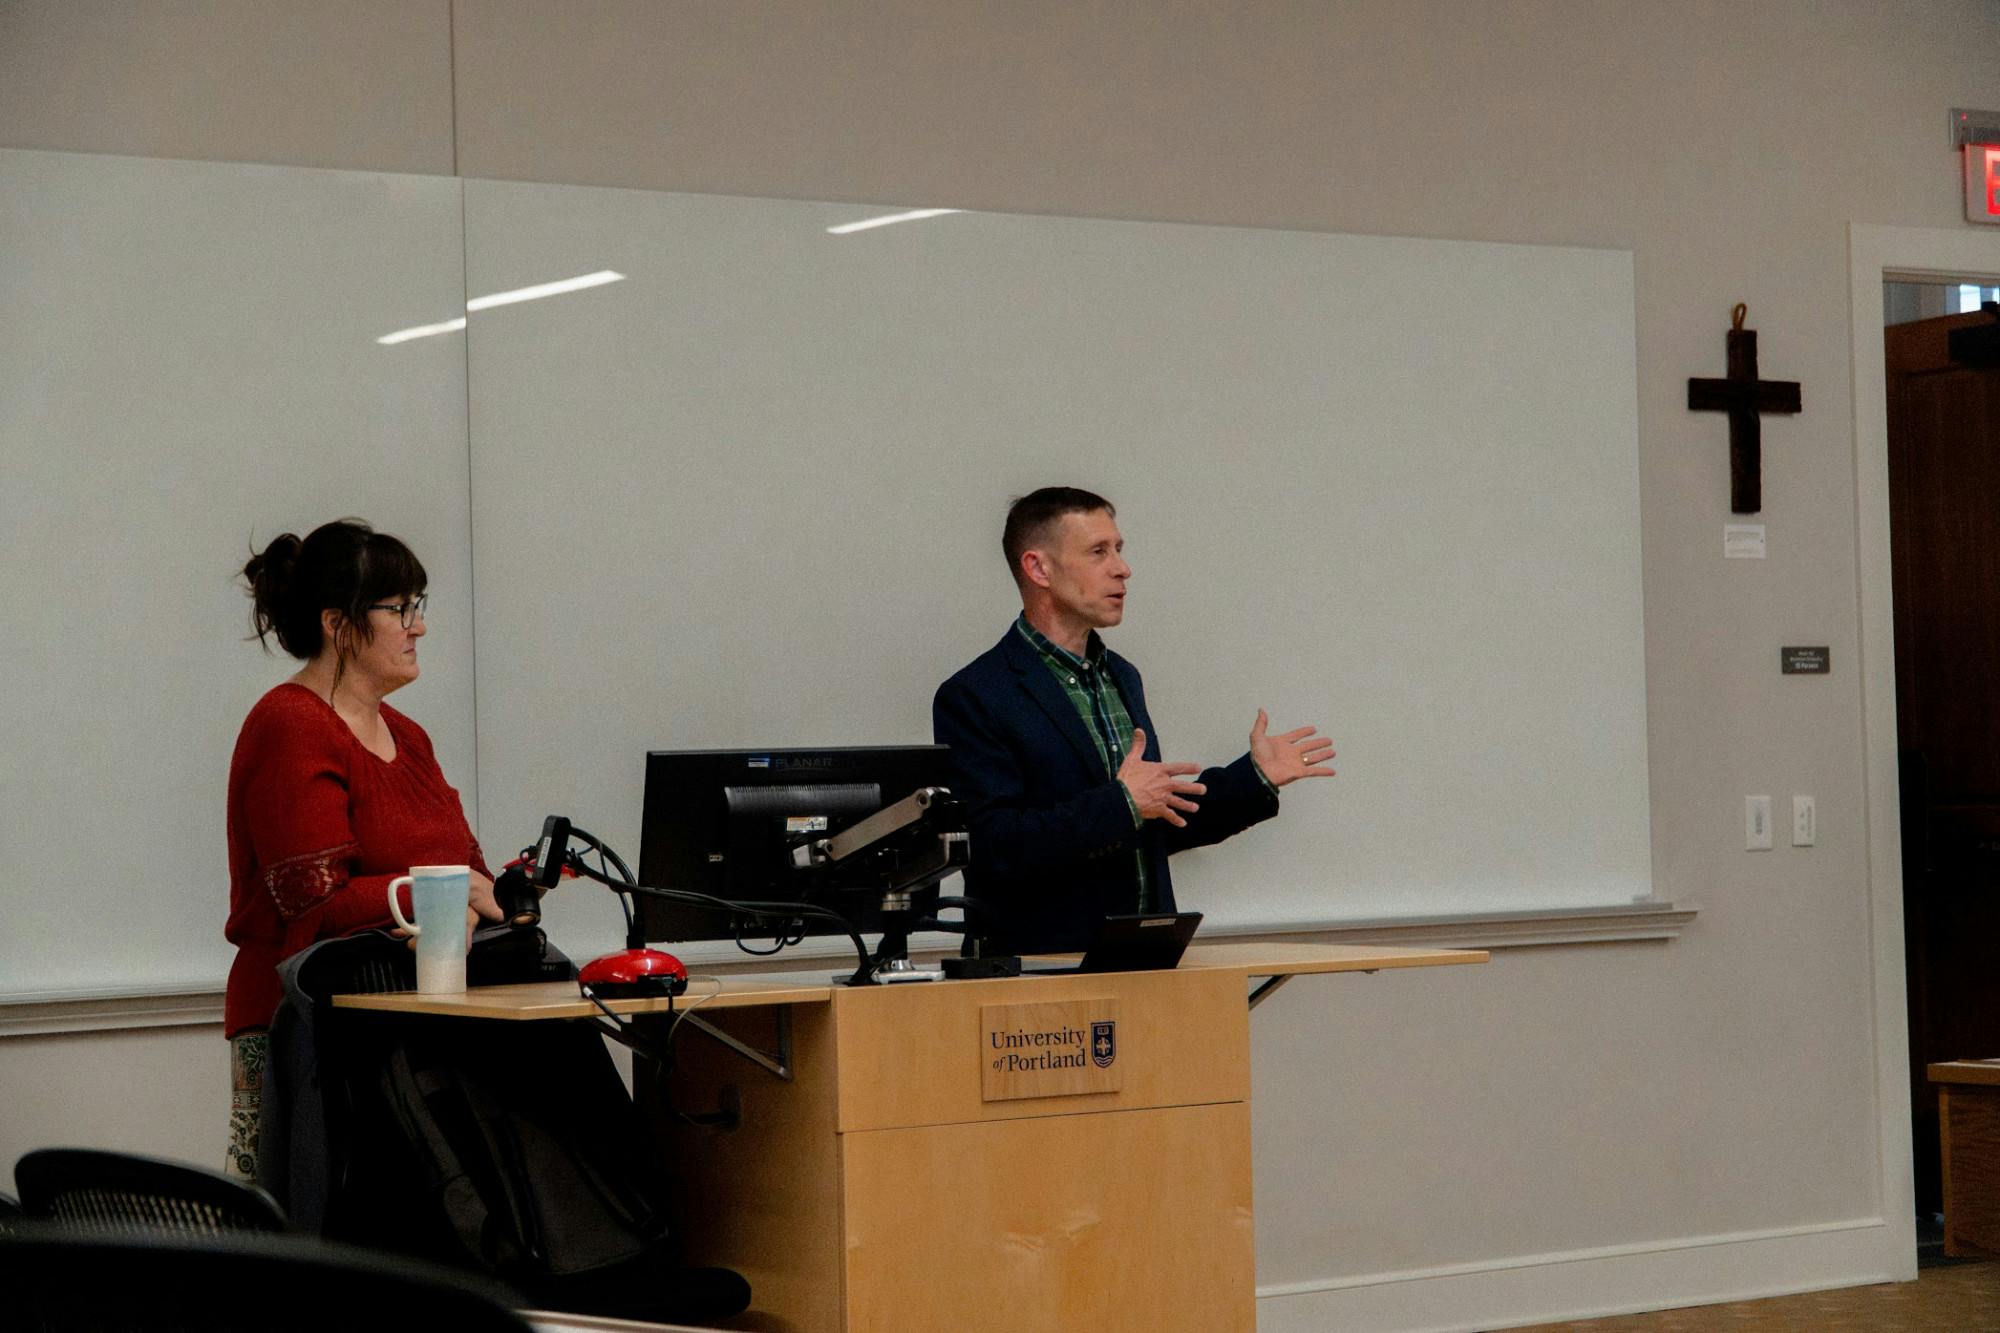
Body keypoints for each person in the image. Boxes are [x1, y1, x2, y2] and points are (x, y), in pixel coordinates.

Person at [932, 487, 1335, 955]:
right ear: (1038, 568)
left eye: (1119, 550)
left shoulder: (1121, 677)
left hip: (1144, 959)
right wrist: (1122, 804)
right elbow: (993, 848)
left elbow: (1151, 821)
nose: (1122, 568)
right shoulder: (976, 695)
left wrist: (1253, 779)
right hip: (1040, 971)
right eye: (1098, 552)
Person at [224, 518, 501, 1178]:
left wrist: (484, 897)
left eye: (418, 606)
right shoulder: (290, 723)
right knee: (301, 1238)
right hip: (299, 1028)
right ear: (338, 623)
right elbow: (311, 905)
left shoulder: (410, 736)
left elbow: (473, 870)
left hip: (410, 1026)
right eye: (400, 608)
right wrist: (445, 893)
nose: (419, 626)